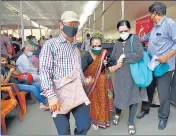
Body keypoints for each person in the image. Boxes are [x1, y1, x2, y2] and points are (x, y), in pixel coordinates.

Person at [39, 11, 92, 135]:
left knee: (85, 124)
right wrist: (51, 96)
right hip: (58, 94)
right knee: (63, 131)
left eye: (75, 24)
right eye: (70, 24)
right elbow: (44, 71)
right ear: (61, 25)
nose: (73, 27)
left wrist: (84, 80)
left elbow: (77, 70)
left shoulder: (75, 48)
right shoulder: (50, 45)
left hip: (77, 92)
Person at [137, 2, 176, 130]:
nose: (150, 16)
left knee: (163, 93)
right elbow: (150, 38)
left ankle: (163, 117)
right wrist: (142, 38)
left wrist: (166, 57)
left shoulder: (170, 24)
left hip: (165, 66)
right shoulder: (155, 27)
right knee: (147, 88)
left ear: (155, 13)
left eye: (150, 14)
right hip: (152, 64)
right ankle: (145, 109)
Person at [106, 20, 148, 135]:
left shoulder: (134, 39)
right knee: (119, 95)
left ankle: (130, 122)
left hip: (133, 74)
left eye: (125, 30)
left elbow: (139, 55)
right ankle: (117, 113)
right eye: (121, 31)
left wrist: (125, 56)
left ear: (130, 29)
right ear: (118, 31)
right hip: (120, 75)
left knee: (133, 98)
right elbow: (114, 56)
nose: (123, 33)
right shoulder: (117, 42)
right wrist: (108, 60)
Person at [82, 37, 119, 130]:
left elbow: (110, 65)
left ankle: (104, 120)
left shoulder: (104, 53)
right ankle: (95, 121)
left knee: (103, 102)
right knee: (95, 103)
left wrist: (106, 64)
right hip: (93, 85)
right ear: (91, 46)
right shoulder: (86, 56)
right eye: (94, 46)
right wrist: (88, 79)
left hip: (103, 85)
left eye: (99, 45)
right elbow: (82, 71)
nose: (97, 47)